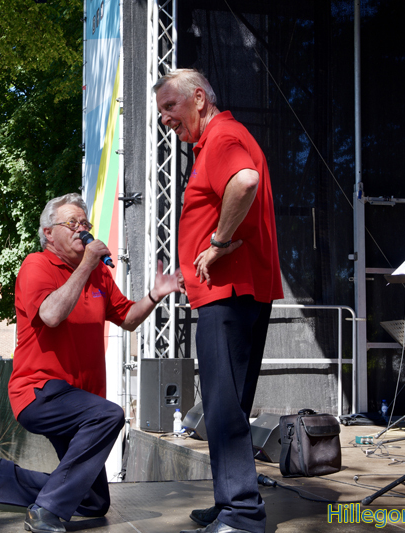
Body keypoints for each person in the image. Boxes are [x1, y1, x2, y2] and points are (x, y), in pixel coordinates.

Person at [0, 193, 184, 533]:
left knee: (93, 502)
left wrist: (155, 295)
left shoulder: (98, 274)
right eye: (71, 223)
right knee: (110, 414)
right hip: (40, 391)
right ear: (48, 233)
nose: (81, 229)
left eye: (84, 223)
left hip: (80, 401)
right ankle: (45, 511)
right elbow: (51, 315)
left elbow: (128, 318)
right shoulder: (36, 265)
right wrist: (86, 264)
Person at [154, 69, 283, 533]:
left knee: (223, 405)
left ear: (199, 98)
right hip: (237, 291)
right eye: (161, 111)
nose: (165, 118)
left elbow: (244, 181)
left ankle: (241, 512)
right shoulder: (220, 138)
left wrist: (218, 242)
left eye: (170, 106)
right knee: (231, 405)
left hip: (227, 293)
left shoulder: (223, 136)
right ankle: (232, 499)